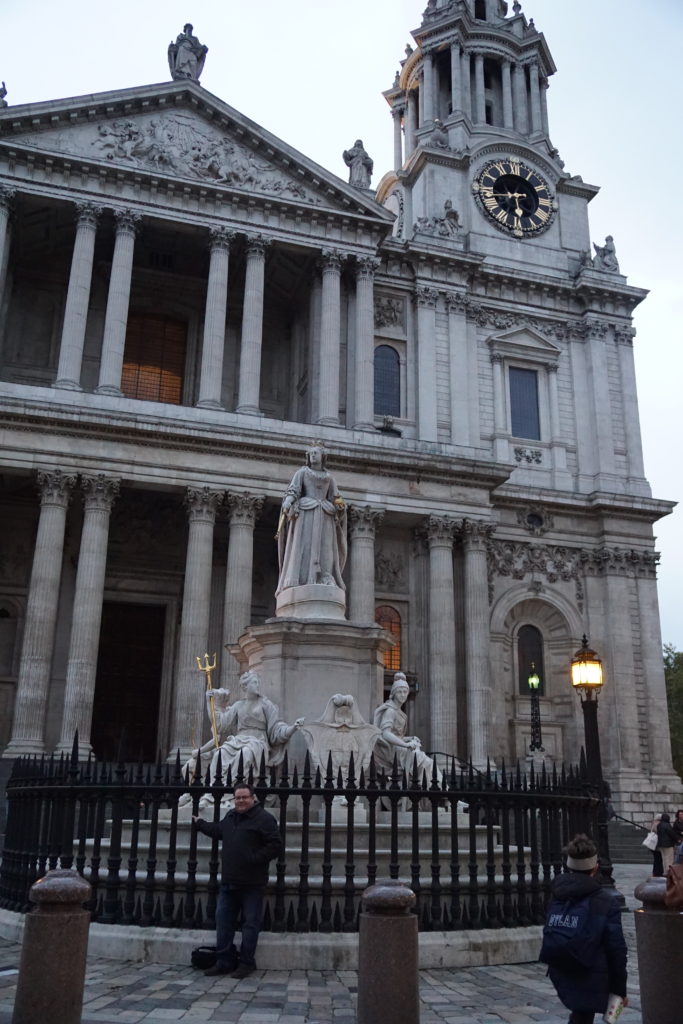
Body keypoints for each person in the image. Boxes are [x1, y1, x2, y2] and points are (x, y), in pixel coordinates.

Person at [193, 782, 281, 978]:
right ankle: (224, 961)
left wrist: (253, 858)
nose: (241, 801)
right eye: (238, 798)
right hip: (229, 881)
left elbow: (275, 845)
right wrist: (200, 823)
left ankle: (247, 962)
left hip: (252, 882)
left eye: (244, 797)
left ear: (253, 798)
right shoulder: (231, 816)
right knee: (223, 921)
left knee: (250, 924)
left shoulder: (265, 819)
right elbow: (218, 831)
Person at [541, 833, 627, 1024]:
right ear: (595, 868)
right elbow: (616, 949)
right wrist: (620, 989)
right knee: (583, 1015)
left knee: (580, 1015)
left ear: (568, 866)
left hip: (560, 967)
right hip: (591, 970)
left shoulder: (557, 893)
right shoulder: (605, 901)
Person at [276, 444, 347, 594]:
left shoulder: (329, 477)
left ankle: (325, 575)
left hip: (326, 513)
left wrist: (340, 506)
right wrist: (288, 501)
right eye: (311, 453)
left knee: (325, 546)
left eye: (316, 453)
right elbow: (294, 490)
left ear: (323, 456)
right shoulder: (302, 472)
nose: (313, 456)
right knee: (304, 545)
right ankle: (301, 578)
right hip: (306, 511)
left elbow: (336, 497)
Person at [372, 672, 441, 783]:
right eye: (399, 692)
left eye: (405, 692)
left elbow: (397, 736)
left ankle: (441, 792)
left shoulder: (402, 713)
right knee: (426, 762)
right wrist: (406, 744)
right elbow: (385, 734)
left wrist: (410, 738)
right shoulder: (390, 710)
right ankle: (440, 793)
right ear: (393, 693)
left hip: (398, 747)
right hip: (391, 749)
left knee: (427, 764)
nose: (403, 695)